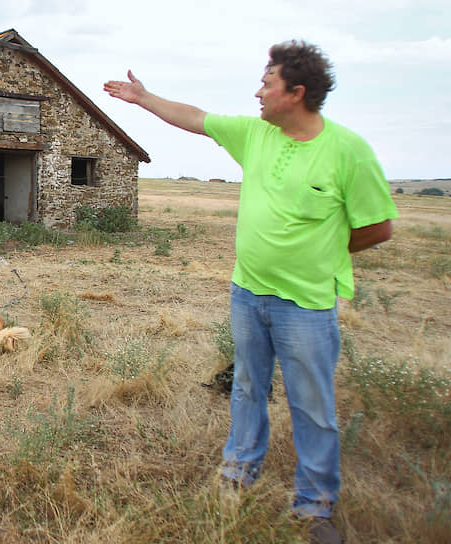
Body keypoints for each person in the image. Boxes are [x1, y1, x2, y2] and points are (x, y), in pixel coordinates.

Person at [104, 41, 398, 543]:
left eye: (267, 84)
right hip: (247, 294)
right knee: (246, 388)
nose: (257, 92)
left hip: (305, 304)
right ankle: (237, 474)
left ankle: (315, 506)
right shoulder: (257, 134)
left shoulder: (348, 151)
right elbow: (196, 118)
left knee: (311, 406)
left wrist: (323, 251)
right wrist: (144, 98)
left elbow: (378, 227)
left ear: (297, 92)